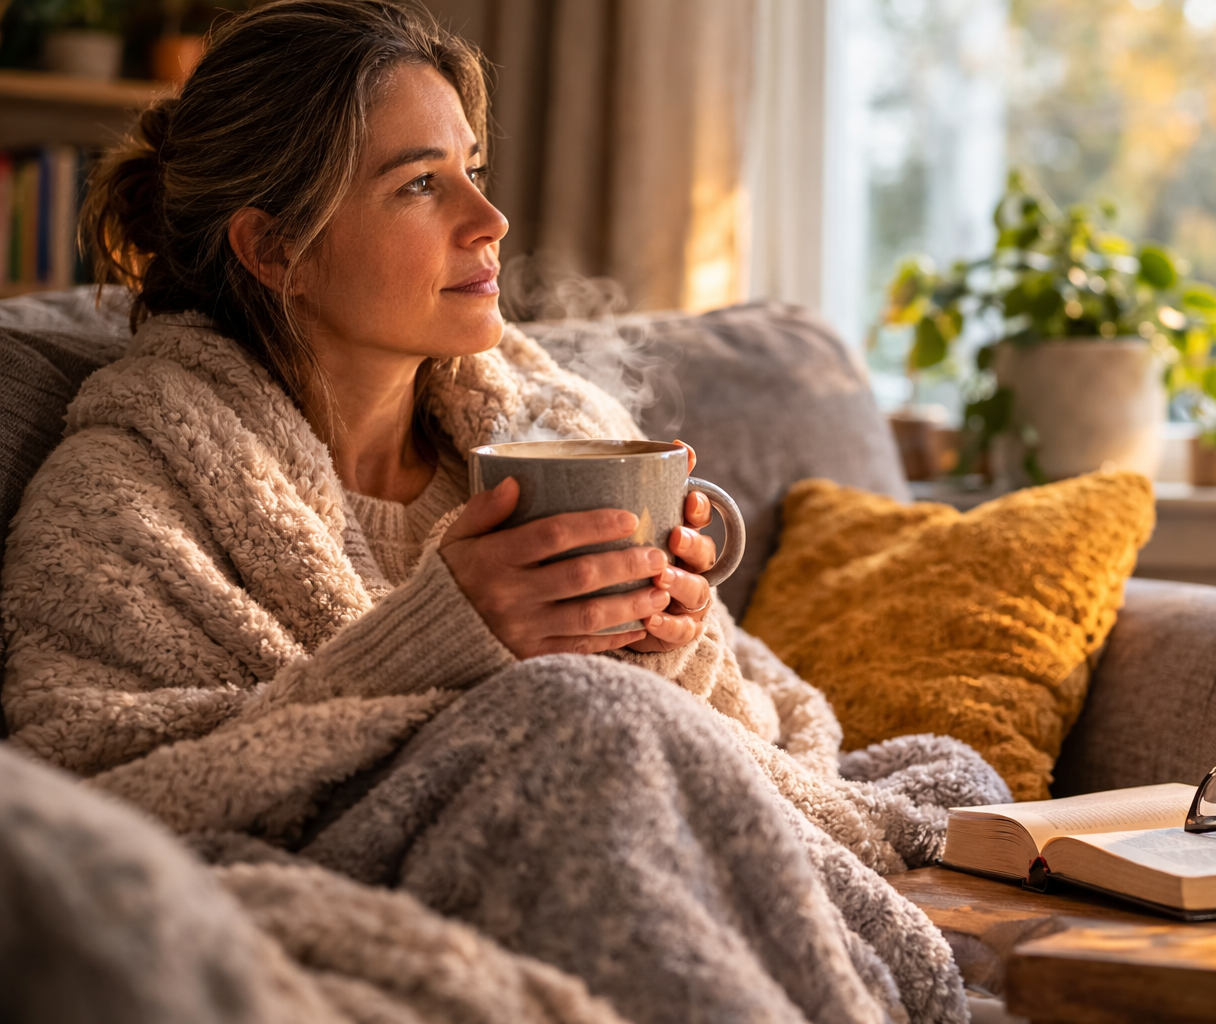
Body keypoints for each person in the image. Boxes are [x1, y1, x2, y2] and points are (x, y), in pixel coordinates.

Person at [0, 3, 1007, 1023]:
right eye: (421, 184)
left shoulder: (552, 422)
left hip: (608, 846)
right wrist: (443, 638)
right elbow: (80, 813)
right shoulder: (125, 490)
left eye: (473, 168)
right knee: (580, 712)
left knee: (948, 770)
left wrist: (667, 634)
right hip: (361, 876)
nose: (490, 221)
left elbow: (730, 724)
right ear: (275, 248)